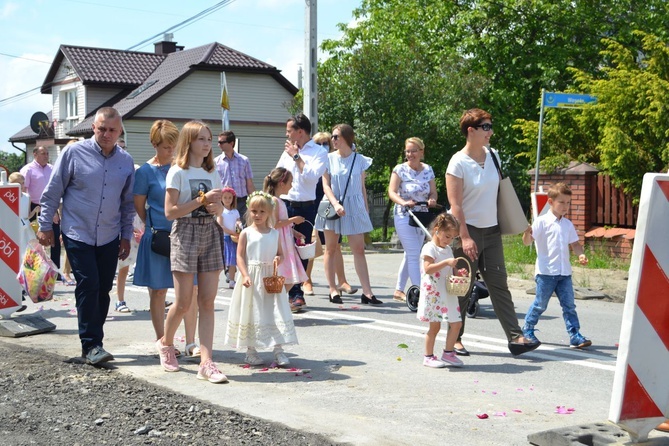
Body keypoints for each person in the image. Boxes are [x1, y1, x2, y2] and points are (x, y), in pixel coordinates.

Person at [37, 107, 135, 365]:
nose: (106, 134)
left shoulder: (125, 162)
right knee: (88, 284)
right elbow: (52, 191)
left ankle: (94, 344)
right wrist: (45, 225)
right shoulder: (73, 153)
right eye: (101, 128)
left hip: (109, 235)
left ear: (119, 131)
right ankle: (91, 344)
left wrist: (126, 235)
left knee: (103, 288)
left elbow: (126, 204)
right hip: (77, 232)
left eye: (112, 130)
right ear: (94, 127)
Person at [445, 108, 539, 356]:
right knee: (462, 287)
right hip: (467, 232)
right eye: (485, 127)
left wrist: (520, 221)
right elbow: (456, 206)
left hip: (492, 231)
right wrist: (464, 237)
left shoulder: (493, 155)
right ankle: (454, 339)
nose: (490, 132)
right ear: (471, 131)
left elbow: (501, 193)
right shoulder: (458, 162)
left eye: (490, 126)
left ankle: (515, 337)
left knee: (499, 285)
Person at [158, 120, 227, 383]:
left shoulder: (213, 172)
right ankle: (166, 344)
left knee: (207, 301)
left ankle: (206, 362)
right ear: (189, 142)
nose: (207, 144)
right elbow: (170, 212)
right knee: (184, 301)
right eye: (201, 139)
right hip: (185, 232)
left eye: (209, 139)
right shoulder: (177, 171)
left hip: (209, 231)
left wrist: (216, 208)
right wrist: (200, 200)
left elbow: (219, 208)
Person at [133, 120, 200, 357]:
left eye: (173, 146)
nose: (170, 151)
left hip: (186, 234)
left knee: (190, 291)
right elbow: (140, 207)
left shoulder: (183, 168)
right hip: (159, 238)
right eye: (165, 147)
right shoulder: (144, 172)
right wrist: (156, 226)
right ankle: (163, 340)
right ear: (154, 144)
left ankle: (191, 342)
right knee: (159, 291)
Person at [225, 191, 298, 366]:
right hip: (252, 277)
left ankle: (278, 350)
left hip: (270, 278)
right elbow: (240, 257)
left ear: (269, 213)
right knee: (252, 311)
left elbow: (281, 254)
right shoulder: (246, 233)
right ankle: (250, 351)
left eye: (262, 212)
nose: (257, 215)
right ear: (249, 212)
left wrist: (277, 259)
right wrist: (244, 274)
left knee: (275, 310)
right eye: (254, 211)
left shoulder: (274, 233)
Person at [315, 124, 382, 305]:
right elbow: (325, 185)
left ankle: (367, 293)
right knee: (330, 248)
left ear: (345, 137)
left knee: (359, 249)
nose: (333, 140)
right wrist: (335, 204)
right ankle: (332, 290)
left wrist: (365, 209)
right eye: (333, 137)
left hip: (354, 206)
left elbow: (361, 187)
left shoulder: (360, 160)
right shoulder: (328, 159)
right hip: (332, 204)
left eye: (336, 136)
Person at [521, 182, 592, 348]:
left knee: (569, 306)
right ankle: (528, 329)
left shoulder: (567, 224)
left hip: (564, 273)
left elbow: (575, 244)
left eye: (568, 203)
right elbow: (527, 242)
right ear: (550, 202)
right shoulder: (541, 222)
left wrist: (580, 253)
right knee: (540, 304)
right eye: (562, 202)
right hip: (546, 272)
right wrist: (526, 232)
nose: (565, 206)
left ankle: (575, 335)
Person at [276, 114, 328, 308]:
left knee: (301, 249)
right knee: (282, 247)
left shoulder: (319, 152)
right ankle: (286, 291)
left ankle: (296, 292)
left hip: (305, 206)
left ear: (300, 131)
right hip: (285, 203)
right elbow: (278, 173)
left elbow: (312, 176)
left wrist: (296, 157)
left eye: (290, 130)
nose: (287, 134)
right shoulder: (288, 151)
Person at [303, 131, 357, 297]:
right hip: (313, 205)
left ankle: (342, 281)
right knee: (311, 244)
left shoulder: (333, 161)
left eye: (325, 143)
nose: (323, 146)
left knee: (335, 245)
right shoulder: (311, 161)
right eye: (319, 143)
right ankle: (307, 279)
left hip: (330, 206)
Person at [388, 137, 438, 302]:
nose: (410, 154)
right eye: (408, 151)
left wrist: (432, 199)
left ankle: (398, 290)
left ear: (421, 152)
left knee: (410, 253)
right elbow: (392, 192)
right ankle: (421, 290)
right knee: (415, 253)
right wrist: (404, 202)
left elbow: (433, 192)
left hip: (422, 215)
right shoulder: (400, 169)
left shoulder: (428, 170)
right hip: (404, 214)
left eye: (414, 151)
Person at [417, 213, 464, 368]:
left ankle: (448, 353)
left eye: (452, 238)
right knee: (435, 326)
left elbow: (451, 268)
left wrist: (459, 273)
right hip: (434, 294)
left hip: (448, 292)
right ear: (437, 230)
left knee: (456, 323)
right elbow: (428, 268)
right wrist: (445, 263)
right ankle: (428, 356)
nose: (449, 240)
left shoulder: (448, 249)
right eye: (447, 236)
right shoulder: (429, 248)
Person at [264, 167, 308, 312]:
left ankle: (278, 304)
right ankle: (277, 305)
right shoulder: (274, 201)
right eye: (290, 182)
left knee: (290, 277)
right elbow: (275, 224)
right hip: (279, 243)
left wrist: (294, 232)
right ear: (282, 184)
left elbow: (282, 223)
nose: (292, 185)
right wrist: (293, 220)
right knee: (284, 274)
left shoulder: (279, 200)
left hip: (285, 240)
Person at [21, 146, 61, 273]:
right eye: (43, 153)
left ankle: (55, 269)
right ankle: (34, 269)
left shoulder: (52, 169)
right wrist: (28, 211)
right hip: (33, 206)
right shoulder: (27, 170)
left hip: (50, 206)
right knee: (32, 239)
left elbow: (57, 189)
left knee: (55, 237)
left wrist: (56, 209)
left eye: (47, 153)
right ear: (35, 154)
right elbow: (23, 190)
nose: (46, 156)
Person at [214, 130, 255, 217]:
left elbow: (249, 184)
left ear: (231, 143)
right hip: (225, 203)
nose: (219, 145)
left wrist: (254, 200)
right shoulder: (215, 162)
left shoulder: (244, 160)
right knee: (226, 228)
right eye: (218, 142)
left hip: (242, 202)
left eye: (221, 142)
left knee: (242, 228)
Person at [216, 186, 241, 289]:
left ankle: (231, 280)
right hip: (224, 239)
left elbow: (238, 220)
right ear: (221, 198)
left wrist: (239, 225)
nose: (227, 200)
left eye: (229, 198)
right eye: (225, 197)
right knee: (222, 261)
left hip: (233, 239)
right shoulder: (220, 211)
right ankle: (215, 279)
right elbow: (220, 226)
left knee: (232, 261)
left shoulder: (235, 211)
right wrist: (232, 232)